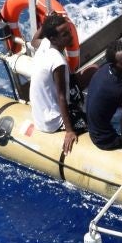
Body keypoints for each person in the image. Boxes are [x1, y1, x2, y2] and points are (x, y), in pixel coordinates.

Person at [28, 13, 82, 158]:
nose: (70, 36)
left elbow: (33, 40)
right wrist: (69, 131)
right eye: (65, 34)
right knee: (89, 115)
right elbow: (61, 97)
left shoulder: (44, 44)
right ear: (53, 38)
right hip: (52, 120)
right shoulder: (58, 62)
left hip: (41, 112)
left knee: (91, 71)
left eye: (69, 31)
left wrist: (45, 23)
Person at [85, 40, 122, 151]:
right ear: (115, 64)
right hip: (107, 139)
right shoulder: (116, 89)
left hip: (99, 125)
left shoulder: (106, 67)